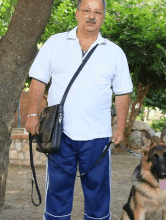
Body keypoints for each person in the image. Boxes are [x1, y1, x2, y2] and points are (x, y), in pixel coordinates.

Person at [25, 0, 133, 219]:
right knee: (57, 194)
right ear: (77, 14)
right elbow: (38, 80)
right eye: (86, 11)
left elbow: (123, 93)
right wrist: (32, 114)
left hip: (98, 137)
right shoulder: (55, 43)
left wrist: (120, 127)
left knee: (98, 195)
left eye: (97, 12)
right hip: (59, 135)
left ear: (103, 17)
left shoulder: (114, 53)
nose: (91, 16)